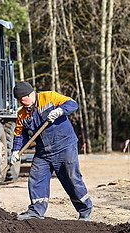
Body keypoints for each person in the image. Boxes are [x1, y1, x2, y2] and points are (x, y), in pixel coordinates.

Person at [10, 81, 93, 221]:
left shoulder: (49, 97)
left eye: (24, 100)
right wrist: (15, 151)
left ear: (31, 94)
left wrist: (60, 110)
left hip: (64, 145)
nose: (23, 104)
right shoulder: (22, 114)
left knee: (71, 178)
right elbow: (19, 135)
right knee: (36, 178)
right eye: (19, 101)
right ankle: (36, 211)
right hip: (43, 152)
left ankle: (85, 210)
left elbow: (73, 104)